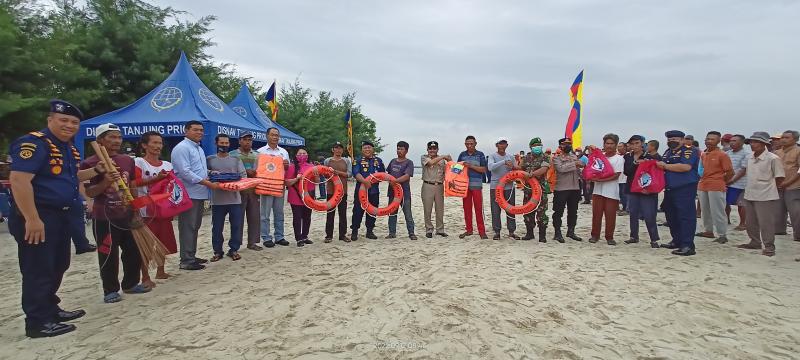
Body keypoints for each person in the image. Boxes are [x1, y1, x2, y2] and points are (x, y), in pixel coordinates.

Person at [8, 100, 107, 337]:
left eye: (74, 122)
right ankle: (38, 322)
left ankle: (50, 308)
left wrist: (96, 171)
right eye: (63, 120)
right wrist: (32, 218)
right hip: (39, 214)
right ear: (50, 119)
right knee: (38, 268)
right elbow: (19, 180)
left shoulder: (67, 147)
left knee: (58, 264)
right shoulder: (33, 143)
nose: (69, 125)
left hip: (62, 214)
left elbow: (70, 177)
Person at [82, 123, 149, 303]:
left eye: (119, 137)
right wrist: (105, 182)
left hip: (126, 213)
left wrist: (136, 206)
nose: (116, 141)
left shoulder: (127, 160)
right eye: (111, 137)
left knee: (133, 251)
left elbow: (132, 184)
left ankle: (130, 283)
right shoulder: (89, 163)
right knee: (108, 253)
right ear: (100, 140)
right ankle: (110, 289)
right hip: (105, 216)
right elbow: (89, 192)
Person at [171, 120, 219, 270]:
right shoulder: (182, 148)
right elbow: (184, 172)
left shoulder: (198, 148)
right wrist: (207, 183)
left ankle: (191, 255)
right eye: (196, 130)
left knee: (195, 226)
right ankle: (186, 259)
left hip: (199, 193)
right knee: (188, 226)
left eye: (201, 130)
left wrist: (210, 173)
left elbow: (198, 170)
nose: (199, 133)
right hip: (188, 193)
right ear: (186, 131)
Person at [133, 131, 176, 287]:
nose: (158, 146)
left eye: (160, 143)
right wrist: (155, 179)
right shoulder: (139, 163)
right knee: (146, 244)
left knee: (163, 241)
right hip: (145, 209)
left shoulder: (167, 165)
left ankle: (161, 270)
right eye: (154, 143)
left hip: (163, 209)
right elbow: (134, 183)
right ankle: (145, 277)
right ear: (144, 145)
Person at [737, 132, 785, 256]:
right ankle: (755, 242)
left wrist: (769, 187)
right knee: (750, 221)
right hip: (750, 193)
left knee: (766, 222)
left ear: (764, 144)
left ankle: (769, 247)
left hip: (766, 195)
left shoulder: (773, 158)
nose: (753, 144)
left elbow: (779, 177)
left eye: (756, 142)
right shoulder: (750, 158)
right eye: (751, 142)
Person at [657, 130, 701, 256]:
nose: (671, 141)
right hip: (670, 188)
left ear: (682, 140)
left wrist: (665, 166)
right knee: (671, 217)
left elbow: (685, 167)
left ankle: (687, 245)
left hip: (684, 188)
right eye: (669, 139)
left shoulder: (689, 150)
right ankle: (676, 241)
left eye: (675, 139)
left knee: (686, 217)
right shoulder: (668, 152)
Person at [207, 134, 246, 260]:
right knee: (217, 228)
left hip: (234, 199)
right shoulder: (210, 159)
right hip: (217, 200)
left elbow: (243, 176)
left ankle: (234, 249)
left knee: (236, 226)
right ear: (216, 143)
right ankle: (217, 251)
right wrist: (211, 173)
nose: (224, 145)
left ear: (229, 144)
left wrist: (234, 180)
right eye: (221, 143)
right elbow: (203, 173)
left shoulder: (236, 160)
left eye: (226, 143)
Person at [695, 131, 734, 243]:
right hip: (703, 184)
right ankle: (708, 231)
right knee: (705, 210)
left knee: (718, 210)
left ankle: (722, 234)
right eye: (707, 139)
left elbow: (730, 172)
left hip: (716, 185)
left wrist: (722, 181)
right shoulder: (703, 153)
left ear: (718, 141)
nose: (709, 141)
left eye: (712, 139)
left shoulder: (722, 154)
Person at [623, 135, 660, 247]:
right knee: (633, 214)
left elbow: (656, 174)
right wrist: (635, 163)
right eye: (632, 143)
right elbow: (627, 172)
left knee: (649, 215)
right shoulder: (628, 157)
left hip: (647, 189)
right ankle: (633, 236)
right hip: (632, 189)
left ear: (643, 143)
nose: (635, 146)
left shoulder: (651, 156)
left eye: (637, 143)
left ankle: (654, 239)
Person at [256, 127, 290, 248]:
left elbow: (287, 169)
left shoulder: (284, 152)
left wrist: (286, 165)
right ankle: (266, 237)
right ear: (267, 136)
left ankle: (279, 236)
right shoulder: (260, 152)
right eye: (272, 135)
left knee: (279, 212)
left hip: (279, 185)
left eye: (277, 135)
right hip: (266, 186)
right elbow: (257, 170)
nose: (275, 137)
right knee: (265, 214)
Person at [588, 134, 625, 245]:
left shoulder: (619, 159)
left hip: (611, 191)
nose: (609, 146)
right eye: (607, 143)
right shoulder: (600, 157)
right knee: (596, 214)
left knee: (610, 215)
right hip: (598, 191)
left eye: (611, 143)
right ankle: (595, 235)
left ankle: (609, 237)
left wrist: (600, 180)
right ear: (604, 144)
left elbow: (616, 175)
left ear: (616, 145)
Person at [229, 132, 262, 251]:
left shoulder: (258, 155)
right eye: (245, 139)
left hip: (254, 190)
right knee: (238, 218)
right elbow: (229, 171)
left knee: (254, 217)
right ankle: (236, 244)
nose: (247, 141)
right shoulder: (232, 154)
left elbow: (262, 170)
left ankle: (252, 242)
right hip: (239, 191)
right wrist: (245, 172)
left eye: (250, 139)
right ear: (239, 141)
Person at [351, 140, 385, 240]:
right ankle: (354, 231)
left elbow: (383, 174)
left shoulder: (378, 160)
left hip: (374, 191)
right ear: (362, 149)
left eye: (369, 147)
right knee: (357, 211)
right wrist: (365, 181)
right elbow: (356, 173)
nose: (367, 149)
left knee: (372, 211)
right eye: (365, 148)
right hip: (360, 191)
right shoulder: (357, 160)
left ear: (373, 149)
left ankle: (370, 231)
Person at [552, 138, 584, 242]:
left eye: (569, 144)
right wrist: (575, 164)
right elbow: (561, 169)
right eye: (565, 144)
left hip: (575, 187)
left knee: (573, 211)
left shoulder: (573, 156)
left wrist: (580, 165)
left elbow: (579, 167)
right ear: (560, 146)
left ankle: (571, 231)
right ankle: (557, 232)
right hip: (561, 188)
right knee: (558, 211)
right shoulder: (556, 158)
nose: (567, 145)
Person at [488, 137, 520, 240]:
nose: (502, 145)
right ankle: (497, 232)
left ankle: (511, 232)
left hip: (509, 187)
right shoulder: (492, 156)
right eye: (500, 144)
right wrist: (503, 162)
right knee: (495, 209)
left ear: (507, 145)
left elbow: (516, 169)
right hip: (495, 187)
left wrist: (513, 176)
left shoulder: (511, 156)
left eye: (504, 143)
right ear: (496, 145)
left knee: (511, 209)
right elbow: (490, 167)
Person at [457, 135, 488, 239]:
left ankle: (482, 231)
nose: (469, 145)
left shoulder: (480, 155)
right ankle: (469, 230)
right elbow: (456, 170)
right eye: (467, 144)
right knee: (467, 209)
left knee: (478, 209)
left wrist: (470, 166)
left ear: (475, 143)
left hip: (477, 185)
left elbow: (484, 169)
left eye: (471, 143)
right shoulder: (462, 154)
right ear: (465, 144)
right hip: (464, 186)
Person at [520, 137, 550, 241]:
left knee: (541, 212)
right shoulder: (526, 158)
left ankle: (542, 236)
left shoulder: (545, 157)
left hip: (541, 189)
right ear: (530, 147)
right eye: (535, 145)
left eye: (539, 145)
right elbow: (520, 169)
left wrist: (532, 174)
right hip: (528, 190)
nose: (537, 147)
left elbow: (544, 169)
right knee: (528, 211)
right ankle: (530, 233)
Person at [387, 141, 417, 240]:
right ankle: (392, 233)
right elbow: (387, 174)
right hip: (392, 193)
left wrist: (395, 181)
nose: (399, 151)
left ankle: (411, 233)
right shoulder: (392, 161)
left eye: (401, 149)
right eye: (398, 148)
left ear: (406, 151)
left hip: (404, 193)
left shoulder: (409, 162)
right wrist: (389, 180)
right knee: (392, 213)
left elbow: (407, 176)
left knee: (408, 214)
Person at [285, 147, 315, 247]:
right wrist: (297, 179)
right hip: (295, 196)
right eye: (300, 153)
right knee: (297, 217)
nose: (302, 155)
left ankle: (305, 236)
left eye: (304, 153)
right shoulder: (291, 167)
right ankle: (298, 238)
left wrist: (317, 175)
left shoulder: (311, 166)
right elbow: (287, 183)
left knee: (307, 217)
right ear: (296, 155)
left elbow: (317, 181)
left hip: (308, 195)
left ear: (307, 155)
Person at [421, 141, 450, 238]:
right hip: (427, 185)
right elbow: (431, 163)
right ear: (427, 149)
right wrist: (443, 156)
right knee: (427, 209)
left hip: (439, 186)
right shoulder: (424, 157)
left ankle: (440, 230)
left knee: (440, 209)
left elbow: (450, 170)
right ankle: (429, 229)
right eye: (430, 148)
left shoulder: (442, 161)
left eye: (434, 148)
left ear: (437, 149)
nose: (432, 150)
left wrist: (450, 160)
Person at [323, 142, 352, 242]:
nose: (338, 150)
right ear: (333, 150)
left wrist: (337, 172)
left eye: (340, 148)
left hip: (343, 191)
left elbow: (349, 174)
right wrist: (329, 173)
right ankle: (328, 236)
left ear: (342, 150)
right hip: (331, 191)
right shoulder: (327, 161)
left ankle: (342, 235)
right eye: (336, 148)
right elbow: (325, 174)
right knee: (330, 213)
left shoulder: (346, 161)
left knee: (342, 214)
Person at [775, 130, 800, 241]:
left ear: (795, 139)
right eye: (782, 137)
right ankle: (779, 230)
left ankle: (798, 235)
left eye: (787, 137)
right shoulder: (776, 153)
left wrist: (787, 183)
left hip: (794, 186)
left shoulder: (798, 151)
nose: (783, 139)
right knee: (778, 210)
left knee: (796, 212)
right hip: (778, 186)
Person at [725, 134, 749, 230]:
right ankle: (726, 220)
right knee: (725, 202)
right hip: (728, 182)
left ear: (742, 142)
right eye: (731, 140)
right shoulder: (727, 153)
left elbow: (743, 170)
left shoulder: (746, 154)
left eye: (734, 141)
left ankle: (742, 223)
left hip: (741, 184)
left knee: (741, 204)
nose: (732, 142)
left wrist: (732, 180)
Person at [616, 142, 629, 215]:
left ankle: (626, 209)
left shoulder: (628, 156)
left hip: (625, 179)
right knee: (620, 194)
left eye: (620, 146)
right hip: (618, 179)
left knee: (624, 194)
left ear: (625, 147)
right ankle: (622, 208)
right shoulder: (618, 156)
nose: (619, 148)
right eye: (618, 146)